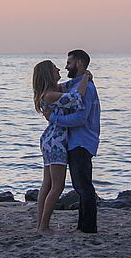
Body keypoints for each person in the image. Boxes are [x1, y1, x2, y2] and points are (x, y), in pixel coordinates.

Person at [32, 60, 91, 233]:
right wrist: (86, 78)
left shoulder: (55, 89)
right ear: (48, 74)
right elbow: (75, 98)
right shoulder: (49, 95)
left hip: (50, 140)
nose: (59, 69)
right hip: (56, 141)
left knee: (47, 184)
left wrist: (85, 77)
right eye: (54, 68)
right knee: (57, 186)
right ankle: (44, 226)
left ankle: (40, 225)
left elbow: (71, 85)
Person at [45, 50, 100, 233]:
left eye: (69, 63)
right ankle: (83, 227)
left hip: (81, 142)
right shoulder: (77, 85)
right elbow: (59, 89)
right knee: (81, 186)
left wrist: (53, 118)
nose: (66, 66)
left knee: (83, 187)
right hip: (75, 141)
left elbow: (80, 118)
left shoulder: (87, 89)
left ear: (80, 63)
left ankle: (88, 228)